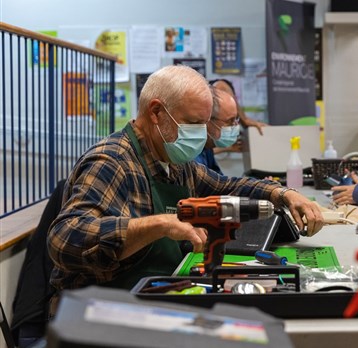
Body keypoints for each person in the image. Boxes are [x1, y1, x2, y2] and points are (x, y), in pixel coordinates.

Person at [48, 65, 324, 295]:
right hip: (103, 311)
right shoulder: (112, 162)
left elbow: (228, 185)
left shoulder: (174, 163)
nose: (203, 136)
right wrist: (157, 225)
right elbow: (63, 240)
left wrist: (284, 195)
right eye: (193, 123)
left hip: (159, 293)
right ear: (156, 113)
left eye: (206, 124)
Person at [195, 87, 242, 175]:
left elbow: (222, 184)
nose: (235, 126)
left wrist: (262, 185)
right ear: (207, 121)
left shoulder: (206, 149)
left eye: (236, 119)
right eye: (230, 121)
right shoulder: (192, 154)